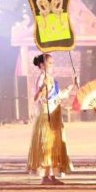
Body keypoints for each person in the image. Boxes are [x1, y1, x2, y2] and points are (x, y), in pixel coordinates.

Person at [27, 53, 75, 184]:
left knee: (54, 144)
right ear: (42, 65)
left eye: (52, 63)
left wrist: (71, 86)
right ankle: (45, 176)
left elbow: (58, 96)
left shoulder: (51, 79)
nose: (52, 65)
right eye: (49, 63)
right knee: (47, 144)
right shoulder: (42, 78)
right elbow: (36, 98)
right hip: (46, 115)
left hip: (54, 114)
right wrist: (41, 89)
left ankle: (52, 175)